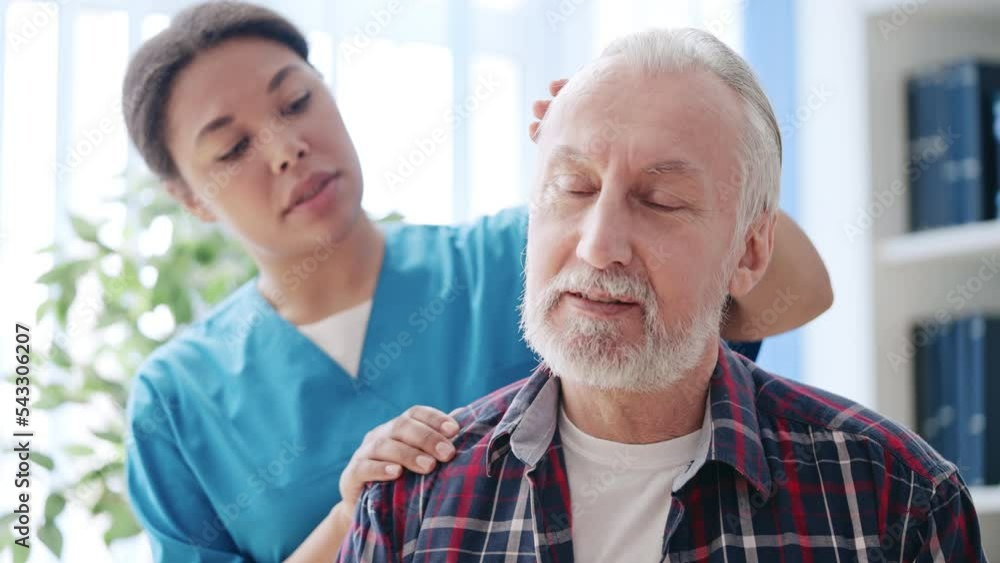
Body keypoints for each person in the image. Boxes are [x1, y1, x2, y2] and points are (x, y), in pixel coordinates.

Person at [121, 3, 833, 562]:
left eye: (295, 101)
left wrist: (628, 154)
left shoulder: (513, 257)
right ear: (189, 197)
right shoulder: (178, 402)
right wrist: (356, 517)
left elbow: (795, 289)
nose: (286, 148)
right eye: (233, 147)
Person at [336, 27, 985, 563]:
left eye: (660, 199)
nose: (599, 245)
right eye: (574, 186)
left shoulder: (893, 500)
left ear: (751, 253)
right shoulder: (407, 509)